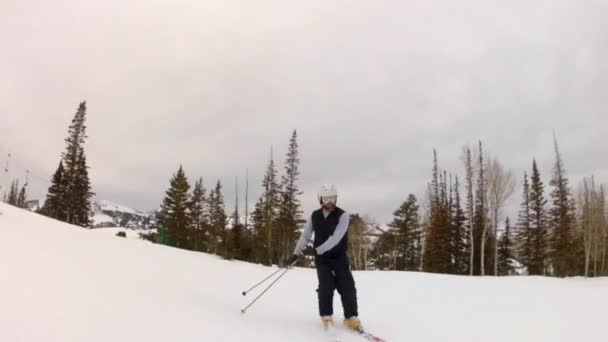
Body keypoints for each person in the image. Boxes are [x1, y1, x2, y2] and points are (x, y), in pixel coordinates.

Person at [286, 184, 362, 331]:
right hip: (323, 260)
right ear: (320, 199)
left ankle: (351, 317)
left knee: (347, 286)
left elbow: (336, 238)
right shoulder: (314, 216)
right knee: (326, 286)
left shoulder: (343, 215)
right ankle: (326, 316)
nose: (330, 202)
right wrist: (296, 253)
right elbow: (305, 235)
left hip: (339, 256)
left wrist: (317, 249)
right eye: (326, 199)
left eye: (332, 198)